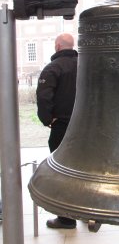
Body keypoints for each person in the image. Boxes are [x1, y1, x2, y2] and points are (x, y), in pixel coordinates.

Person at [36, 33, 78, 229]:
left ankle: (67, 218)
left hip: (62, 127)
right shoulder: (86, 66)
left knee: (63, 172)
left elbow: (44, 97)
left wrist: (48, 119)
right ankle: (92, 213)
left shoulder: (53, 68)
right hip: (86, 127)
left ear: (57, 46)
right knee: (86, 169)